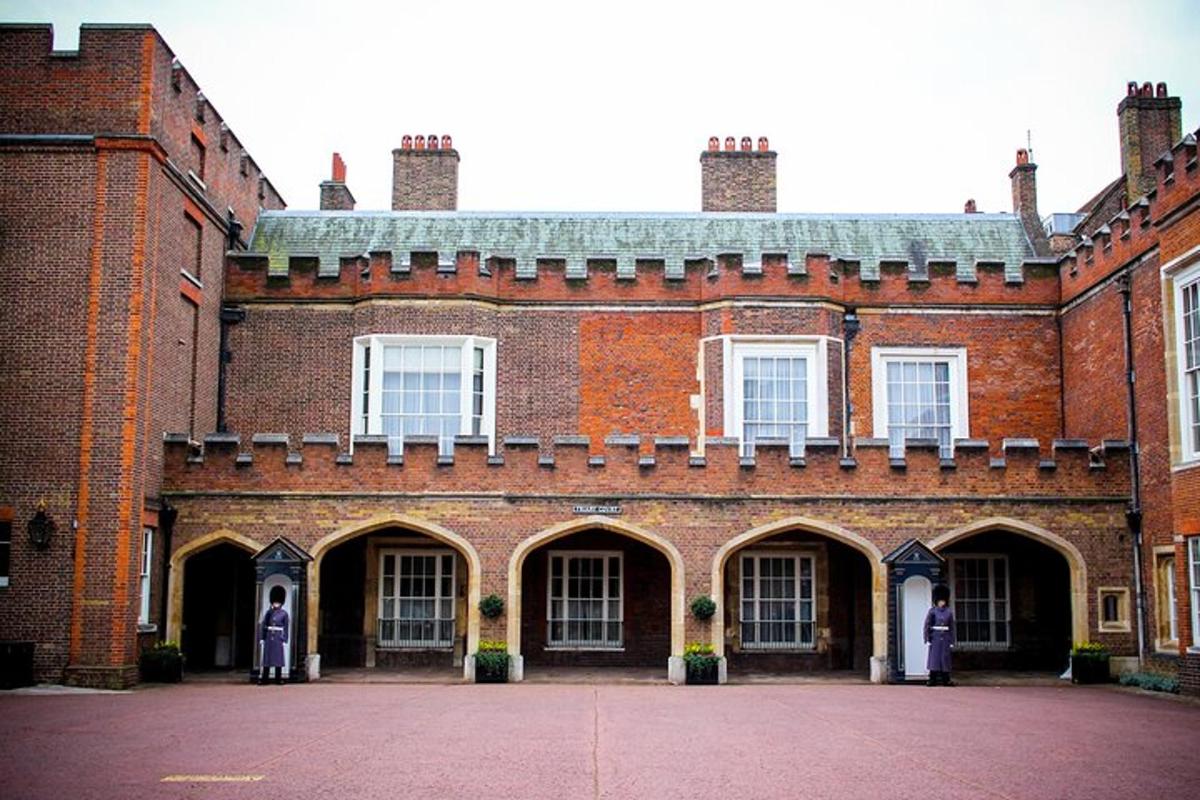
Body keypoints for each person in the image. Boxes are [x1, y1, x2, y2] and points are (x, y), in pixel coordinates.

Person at [924, 583, 956, 686]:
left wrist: (952, 641)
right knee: (934, 659)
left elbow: (951, 627)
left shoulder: (949, 612)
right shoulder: (932, 611)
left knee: (945, 659)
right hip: (935, 637)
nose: (942, 602)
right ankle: (932, 679)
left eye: (943, 600)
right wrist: (927, 638)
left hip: (945, 638)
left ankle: (946, 679)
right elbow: (927, 625)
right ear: (937, 601)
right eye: (940, 600)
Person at [259, 586, 289, 686]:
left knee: (278, 659)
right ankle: (265, 678)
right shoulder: (269, 612)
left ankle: (278, 678)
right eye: (275, 602)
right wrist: (262, 638)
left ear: (281, 603)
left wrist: (285, 638)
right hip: (268, 636)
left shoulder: (284, 614)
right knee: (267, 659)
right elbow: (264, 625)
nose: (276, 604)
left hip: (277, 637)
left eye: (278, 602)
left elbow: (286, 627)